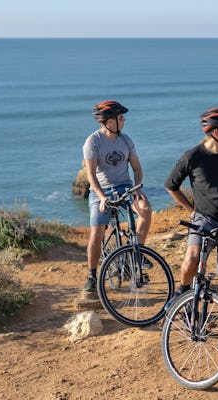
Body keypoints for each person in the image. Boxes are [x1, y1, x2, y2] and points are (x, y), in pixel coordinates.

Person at [165, 107, 218, 357]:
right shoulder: (192, 157)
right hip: (203, 220)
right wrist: (191, 208)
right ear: (216, 132)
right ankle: (182, 293)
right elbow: (171, 185)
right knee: (191, 259)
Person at [81, 100, 152, 300]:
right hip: (101, 190)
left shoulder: (126, 140)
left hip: (125, 187)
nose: (124, 121)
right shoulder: (93, 142)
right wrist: (102, 197)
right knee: (96, 232)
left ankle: (136, 253)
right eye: (121, 118)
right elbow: (90, 175)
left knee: (145, 209)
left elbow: (137, 168)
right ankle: (92, 276)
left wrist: (137, 188)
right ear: (109, 122)